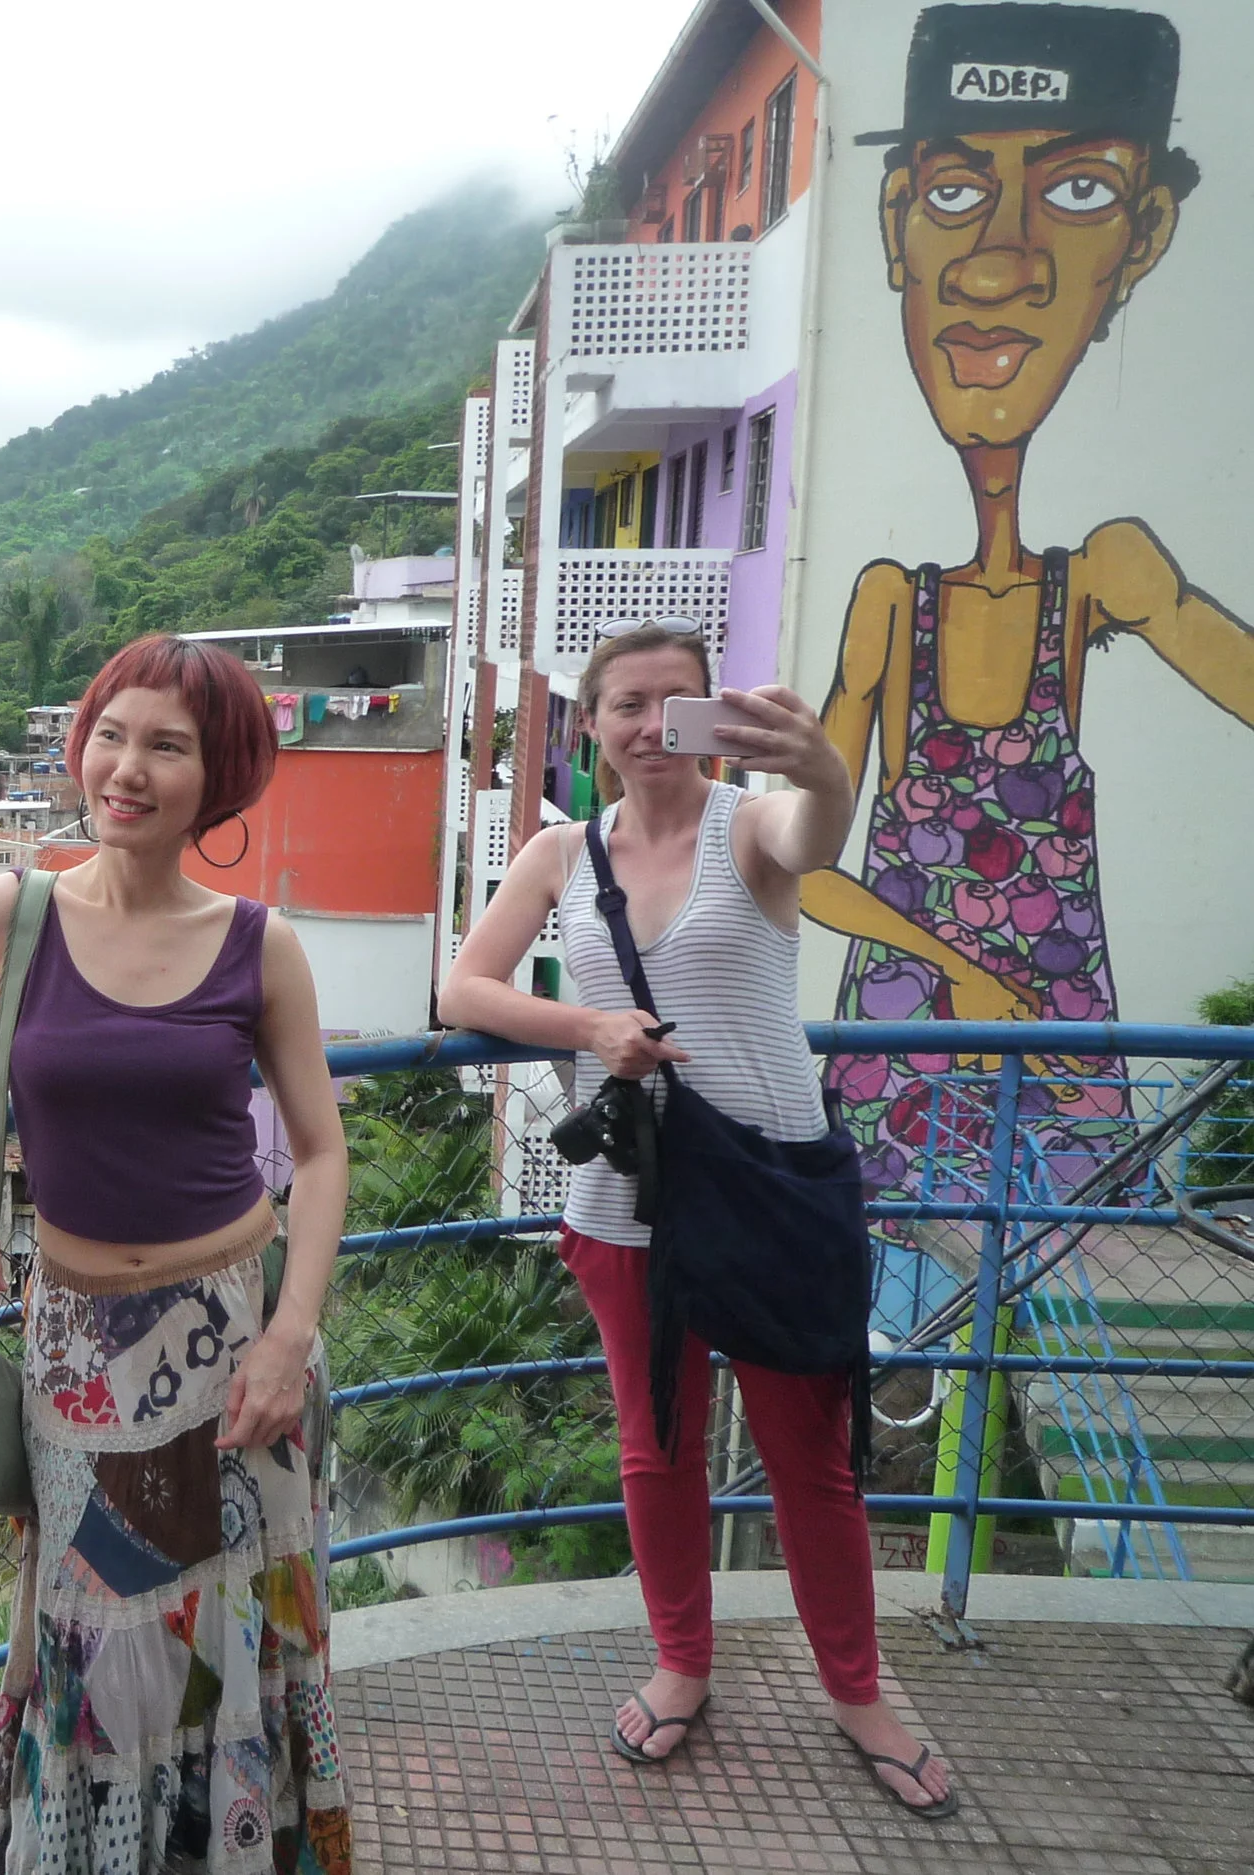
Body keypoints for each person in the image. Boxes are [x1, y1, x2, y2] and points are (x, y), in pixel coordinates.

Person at [441, 623, 960, 1820]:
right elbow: (464, 987)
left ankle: (858, 1691)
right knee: (657, 1443)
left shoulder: (749, 828)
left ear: (712, 718)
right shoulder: (559, 854)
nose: (648, 725)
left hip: (772, 1185)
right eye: (626, 705)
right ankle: (681, 1663)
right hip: (627, 1197)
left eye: (677, 704)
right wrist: (589, 1030)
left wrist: (821, 765)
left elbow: (816, 834)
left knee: (808, 1459)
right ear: (593, 727)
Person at [0, 633, 355, 1875]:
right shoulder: (11, 911)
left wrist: (290, 1339)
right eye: (111, 735)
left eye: (167, 747)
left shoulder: (260, 944)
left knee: (238, 1625)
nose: (126, 769)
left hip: (236, 1334)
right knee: (96, 1631)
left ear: (219, 777)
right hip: (79, 1348)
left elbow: (320, 1150)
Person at [810, 3, 1254, 1194]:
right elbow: (795, 868)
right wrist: (945, 962)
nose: (997, 261)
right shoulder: (886, 606)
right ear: (896, 220)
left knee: (1052, 1314)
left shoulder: (1109, 574)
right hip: (897, 1068)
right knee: (900, 1331)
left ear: (1146, 232)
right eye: (954, 195)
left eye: (1075, 195)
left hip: (1055, 1079)